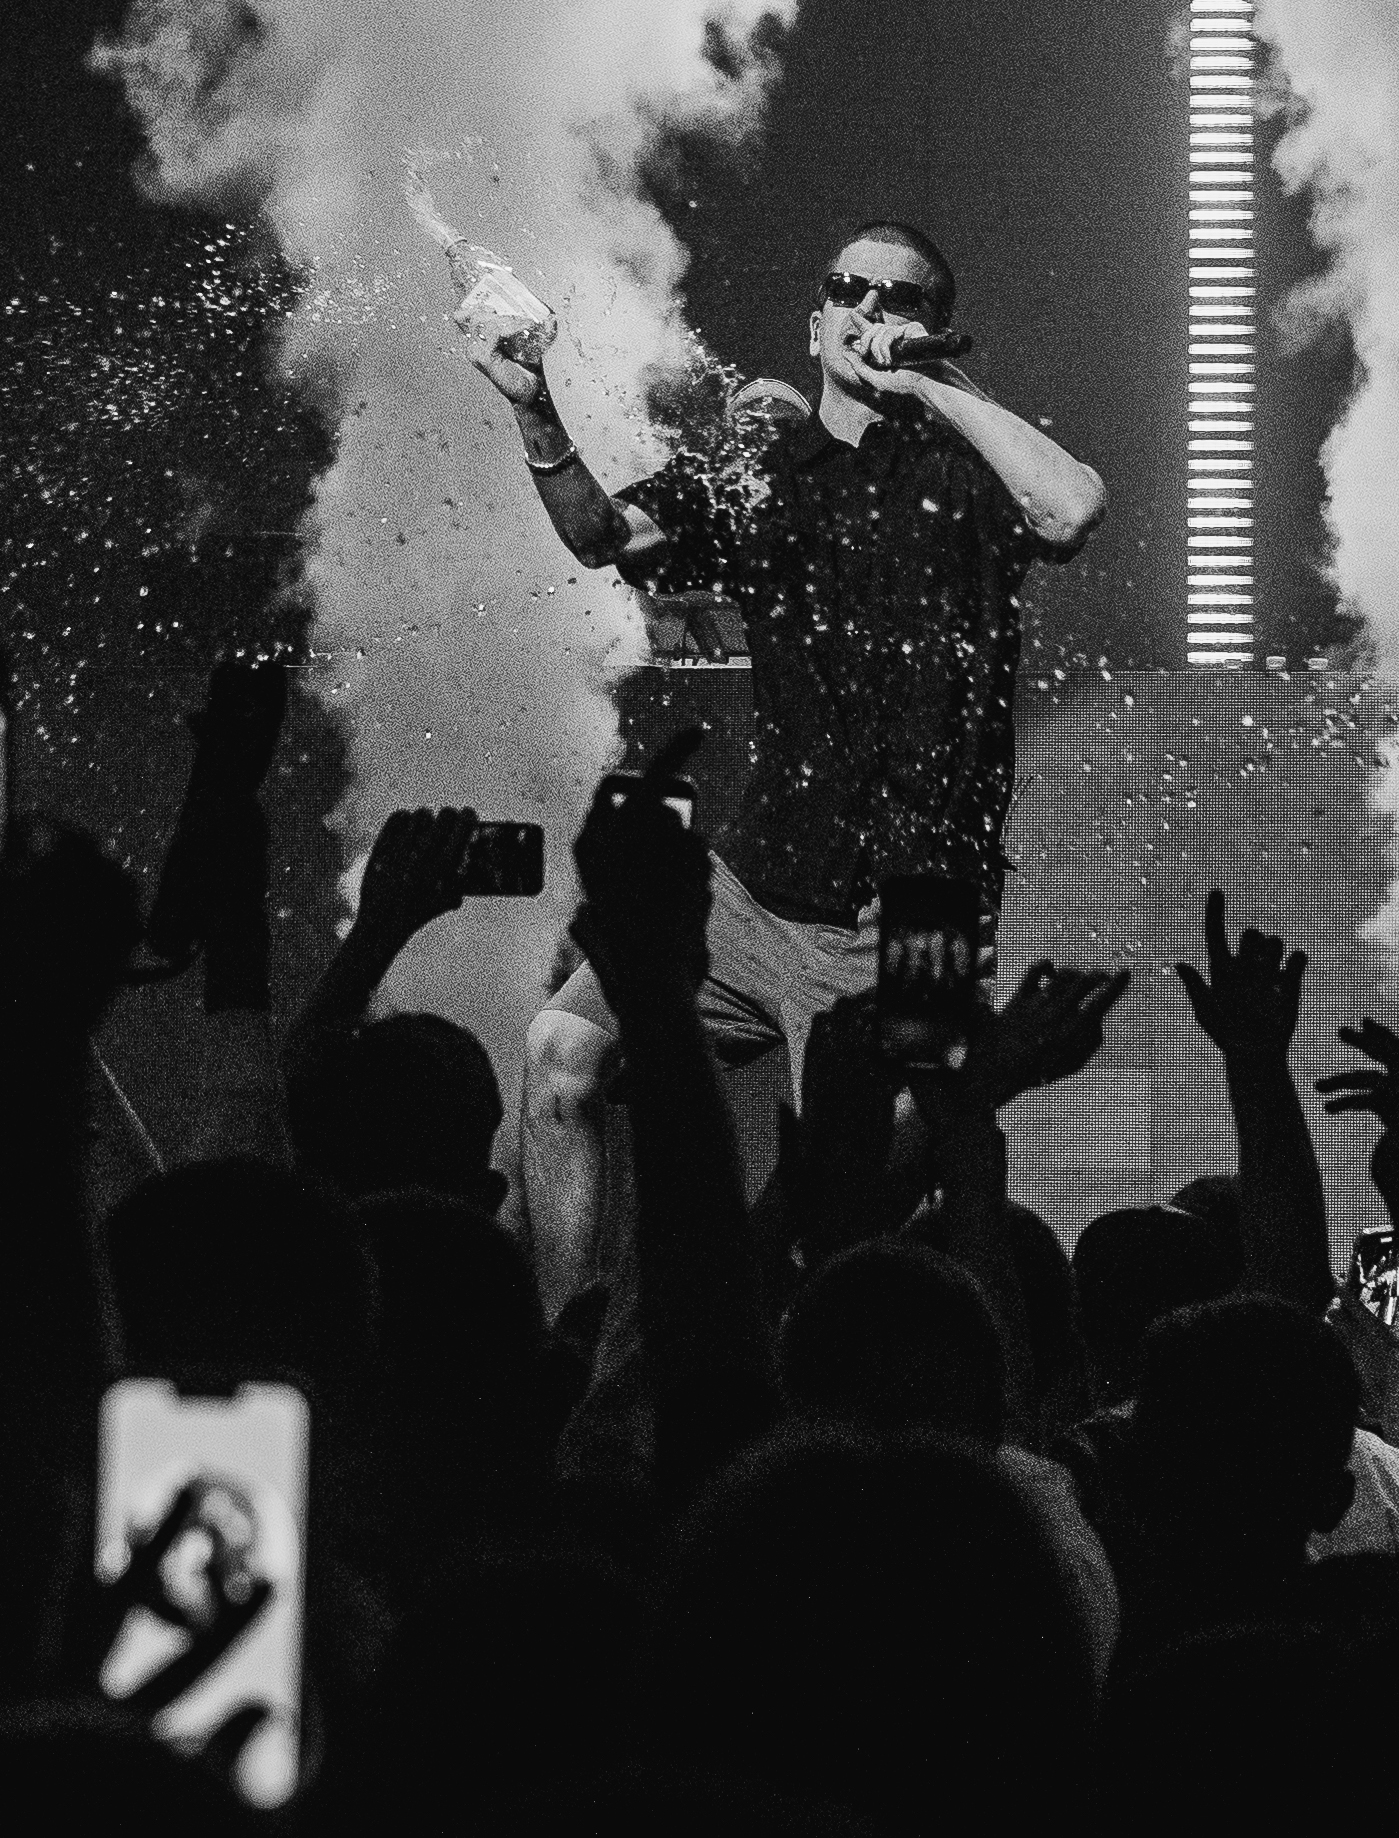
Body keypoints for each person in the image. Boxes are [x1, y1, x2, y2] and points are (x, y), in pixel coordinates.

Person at [461, 219, 1109, 1313]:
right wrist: (534, 407)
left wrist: (928, 382)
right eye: (848, 289)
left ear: (933, 327)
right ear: (815, 322)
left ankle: (827, 1369)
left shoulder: (966, 468)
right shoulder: (761, 477)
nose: (869, 308)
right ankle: (572, 1342)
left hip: (911, 912)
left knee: (851, 1214)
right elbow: (603, 534)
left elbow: (1074, 505)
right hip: (755, 890)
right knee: (560, 1048)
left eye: (899, 297)